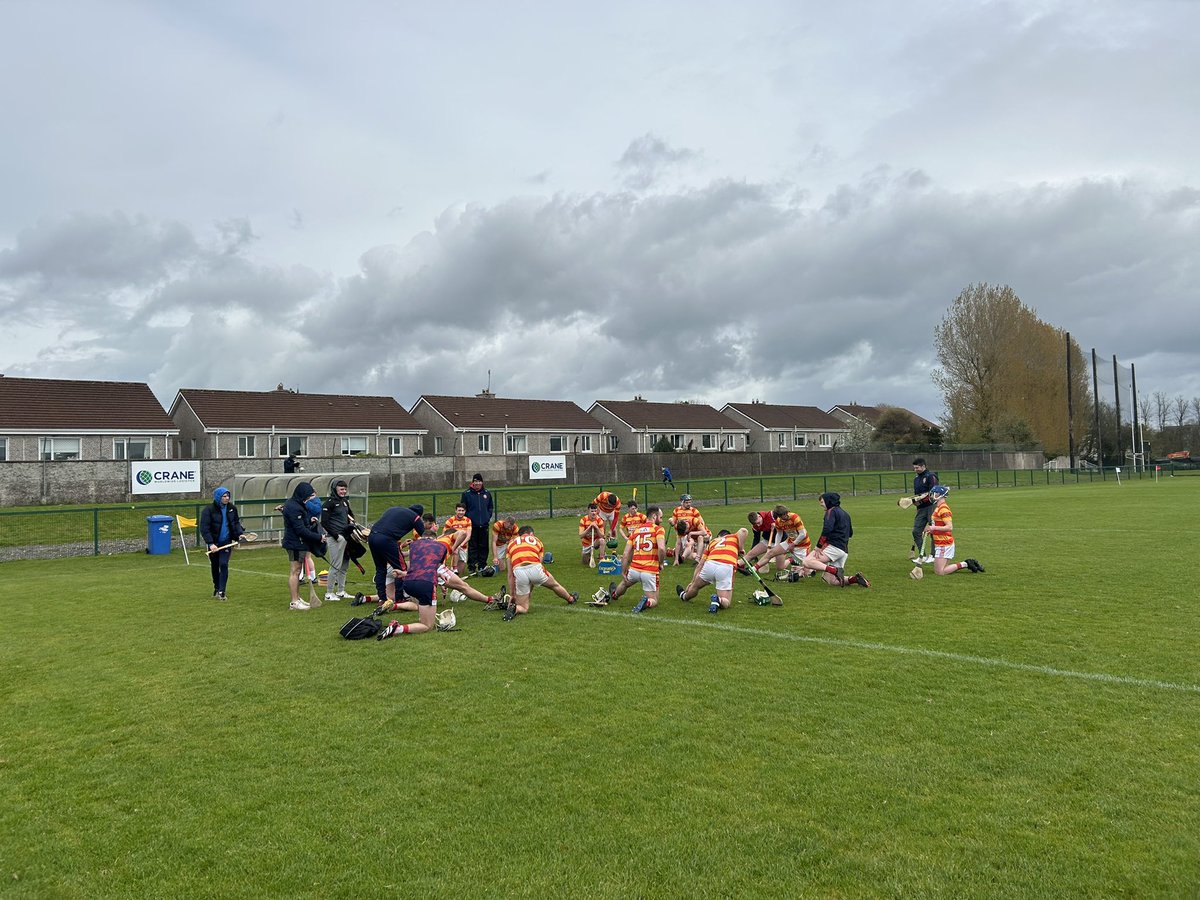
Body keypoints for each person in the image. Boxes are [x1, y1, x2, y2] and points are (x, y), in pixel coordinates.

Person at [376, 526, 463, 639]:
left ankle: (400, 608)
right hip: (426, 584)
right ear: (434, 539)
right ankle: (397, 628)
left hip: (408, 583)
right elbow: (434, 567)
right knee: (427, 626)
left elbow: (419, 568)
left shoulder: (414, 546)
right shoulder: (441, 546)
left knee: (417, 605)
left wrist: (403, 574)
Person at [502, 525, 579, 620]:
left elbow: (510, 574)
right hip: (535, 567)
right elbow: (539, 562)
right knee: (554, 585)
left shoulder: (510, 544)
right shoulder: (537, 541)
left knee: (524, 607)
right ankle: (570, 599)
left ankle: (515, 609)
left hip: (519, 571)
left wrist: (513, 594)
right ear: (531, 534)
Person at [801, 493, 870, 588]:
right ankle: (855, 579)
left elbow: (827, 529)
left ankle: (835, 571)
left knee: (806, 562)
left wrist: (819, 546)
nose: (820, 504)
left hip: (833, 547)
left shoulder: (831, 511)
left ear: (828, 501)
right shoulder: (845, 514)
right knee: (831, 580)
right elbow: (850, 533)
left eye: (822, 502)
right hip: (843, 550)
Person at [605, 505, 667, 612]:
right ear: (654, 516)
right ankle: (646, 602)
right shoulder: (658, 529)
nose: (661, 521)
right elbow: (661, 548)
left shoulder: (636, 531)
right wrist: (660, 563)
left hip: (634, 569)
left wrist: (623, 570)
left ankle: (615, 595)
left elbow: (625, 554)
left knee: (625, 583)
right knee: (654, 600)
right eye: (660, 518)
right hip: (649, 571)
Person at [678, 527, 749, 614]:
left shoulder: (713, 542)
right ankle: (718, 599)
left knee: (695, 587)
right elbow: (744, 530)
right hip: (726, 566)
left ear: (719, 536)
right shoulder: (733, 537)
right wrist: (741, 549)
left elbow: (700, 564)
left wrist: (692, 582)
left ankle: (684, 596)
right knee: (726, 601)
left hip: (710, 564)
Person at [367, 504, 426, 607]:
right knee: (400, 569)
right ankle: (400, 598)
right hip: (387, 539)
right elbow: (425, 535)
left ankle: (382, 599)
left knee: (380, 569)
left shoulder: (393, 509)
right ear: (419, 515)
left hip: (372, 536)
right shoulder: (415, 517)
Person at [281, 482, 327, 610]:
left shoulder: (298, 504)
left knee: (297, 570)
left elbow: (302, 524)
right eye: (307, 496)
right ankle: (294, 602)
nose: (308, 499)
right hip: (295, 543)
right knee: (295, 571)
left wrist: (309, 521)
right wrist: (319, 537)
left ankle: (298, 598)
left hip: (298, 542)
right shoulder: (294, 507)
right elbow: (300, 530)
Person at [923, 486, 985, 575]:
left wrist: (933, 528)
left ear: (939, 495)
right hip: (940, 542)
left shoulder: (943, 509)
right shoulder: (938, 507)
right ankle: (967, 563)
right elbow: (938, 524)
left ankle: (966, 563)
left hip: (944, 543)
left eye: (933, 494)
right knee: (940, 570)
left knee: (940, 572)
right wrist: (930, 530)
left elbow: (949, 527)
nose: (932, 496)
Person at [199, 486, 245, 600]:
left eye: (228, 496)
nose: (227, 498)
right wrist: (210, 543)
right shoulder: (208, 510)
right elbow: (204, 528)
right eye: (224, 496)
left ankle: (222, 591)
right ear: (218, 497)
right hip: (214, 544)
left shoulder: (232, 508)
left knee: (224, 564)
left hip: (226, 543)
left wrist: (239, 534)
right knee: (215, 566)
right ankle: (217, 586)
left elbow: (235, 523)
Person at [744, 504, 810, 576]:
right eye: (783, 516)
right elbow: (779, 534)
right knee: (772, 555)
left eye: (786, 514)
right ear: (779, 516)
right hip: (789, 542)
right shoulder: (778, 521)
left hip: (803, 545)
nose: (785, 516)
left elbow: (803, 534)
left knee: (808, 571)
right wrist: (776, 546)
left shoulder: (795, 517)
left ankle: (809, 561)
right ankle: (753, 569)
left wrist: (793, 544)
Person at [320, 480, 357, 601]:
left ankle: (341, 591)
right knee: (335, 565)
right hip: (336, 538)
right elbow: (324, 522)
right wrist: (335, 536)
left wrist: (352, 523)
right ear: (335, 489)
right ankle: (329, 593)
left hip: (346, 537)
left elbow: (350, 516)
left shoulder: (345, 502)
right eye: (341, 489)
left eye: (345, 489)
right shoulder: (328, 503)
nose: (343, 491)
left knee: (345, 565)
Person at [460, 473, 494, 574]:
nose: (477, 483)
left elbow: (490, 507)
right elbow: (463, 508)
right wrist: (468, 520)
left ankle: (482, 565)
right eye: (475, 481)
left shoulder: (487, 493)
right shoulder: (466, 494)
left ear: (482, 482)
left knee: (483, 546)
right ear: (473, 482)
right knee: (472, 546)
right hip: (472, 525)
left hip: (484, 524)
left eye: (479, 481)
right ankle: (472, 566)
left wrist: (487, 517)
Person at [910, 458, 939, 563]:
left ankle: (933, 555)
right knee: (916, 531)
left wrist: (921, 502)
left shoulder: (931, 476)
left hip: (932, 507)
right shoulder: (916, 479)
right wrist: (916, 505)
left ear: (923, 466)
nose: (915, 469)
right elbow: (917, 495)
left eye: (917, 467)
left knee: (933, 531)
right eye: (914, 468)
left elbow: (933, 493)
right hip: (921, 509)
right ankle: (922, 556)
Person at [441, 502, 473, 576]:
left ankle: (457, 577)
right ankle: (451, 574)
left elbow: (468, 535)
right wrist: (455, 546)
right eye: (459, 510)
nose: (461, 512)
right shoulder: (450, 521)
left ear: (465, 511)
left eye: (462, 510)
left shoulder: (468, 520)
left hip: (463, 545)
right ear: (455, 511)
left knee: (461, 566)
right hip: (453, 545)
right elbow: (445, 535)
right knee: (453, 563)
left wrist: (461, 544)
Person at [668, 494, 702, 565]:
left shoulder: (694, 510)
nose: (688, 504)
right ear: (682, 502)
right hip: (682, 534)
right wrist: (671, 522)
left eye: (690, 502)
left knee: (691, 554)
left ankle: (683, 555)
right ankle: (678, 555)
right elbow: (674, 523)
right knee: (685, 550)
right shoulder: (676, 510)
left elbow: (701, 523)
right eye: (686, 502)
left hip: (692, 534)